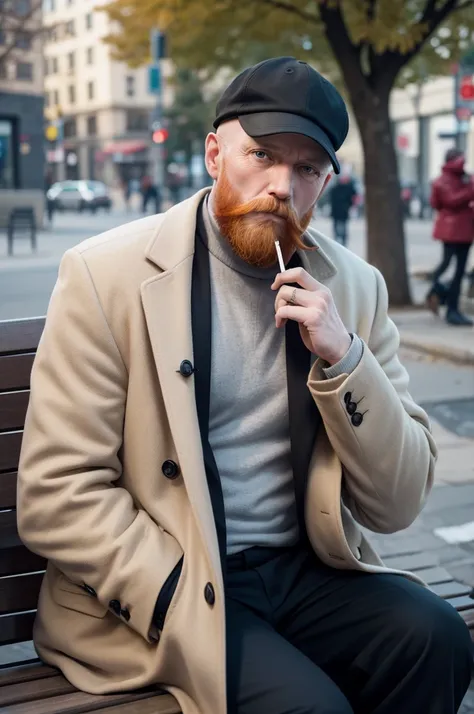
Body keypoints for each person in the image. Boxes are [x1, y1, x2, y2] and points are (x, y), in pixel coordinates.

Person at [17, 57, 472, 714]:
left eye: (308, 167)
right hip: (168, 581)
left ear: (324, 181)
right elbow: (56, 492)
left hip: (302, 570)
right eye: (260, 154)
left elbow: (397, 504)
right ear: (213, 153)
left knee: (438, 639)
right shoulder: (104, 275)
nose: (281, 185)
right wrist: (178, 590)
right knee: (309, 706)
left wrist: (345, 358)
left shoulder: (355, 287)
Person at [426, 148, 474, 326]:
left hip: (464, 229)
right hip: (453, 230)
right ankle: (443, 298)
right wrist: (470, 190)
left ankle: (441, 295)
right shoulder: (444, 180)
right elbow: (449, 200)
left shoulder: (464, 178)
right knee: (449, 265)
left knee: (459, 269)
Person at [329, 173, 357, 246]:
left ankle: (343, 242)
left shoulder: (349, 188)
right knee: (336, 227)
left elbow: (353, 198)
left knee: (343, 227)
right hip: (337, 211)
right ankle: (337, 241)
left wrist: (350, 205)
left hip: (343, 211)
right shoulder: (335, 188)